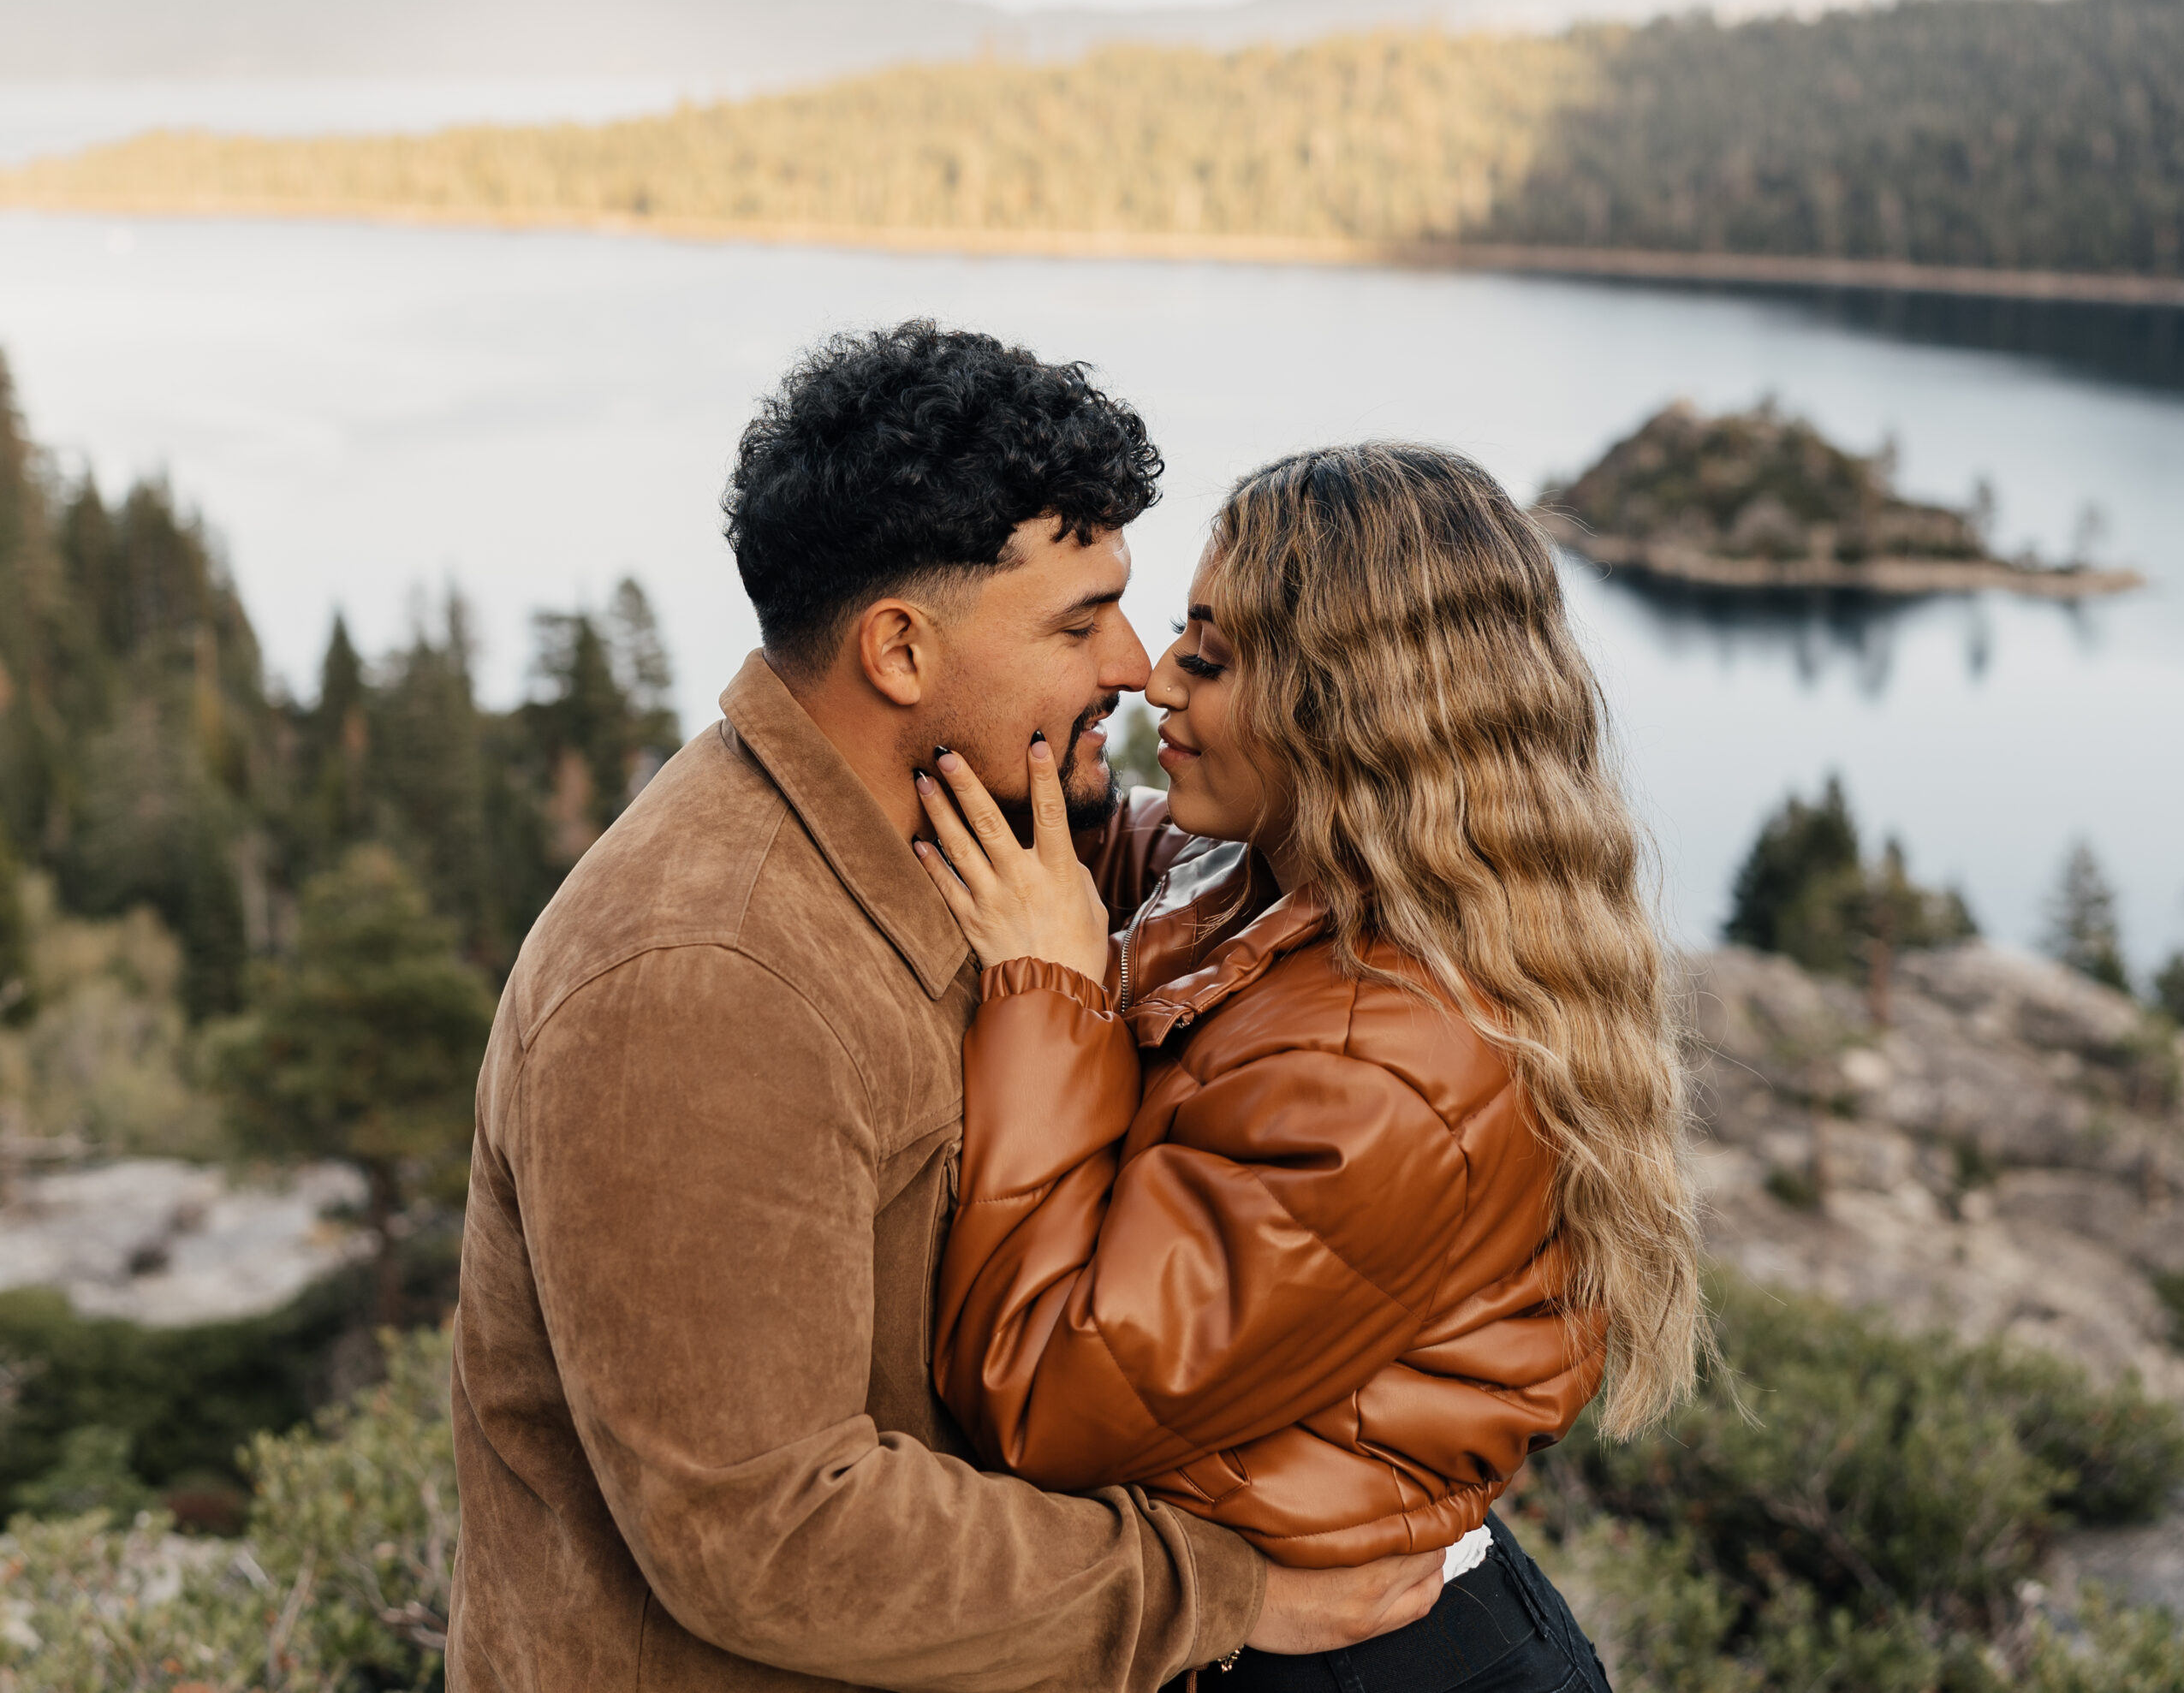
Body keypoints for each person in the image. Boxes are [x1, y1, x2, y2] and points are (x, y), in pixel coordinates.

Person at [446, 326, 1449, 1692]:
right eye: (1078, 620)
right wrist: (1220, 1589)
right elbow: (771, 1535)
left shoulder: (972, 826)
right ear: (901, 651)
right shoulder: (704, 980)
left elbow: (1206, 863)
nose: (1137, 665)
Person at [913, 443, 1706, 1693]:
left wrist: (1048, 992)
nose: (1153, 679)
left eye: (1212, 661)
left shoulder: (1390, 1070)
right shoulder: (1279, 872)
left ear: (1354, 714)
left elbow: (1050, 1394)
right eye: (1182, 631)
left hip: (1365, 1666)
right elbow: (1128, 856)